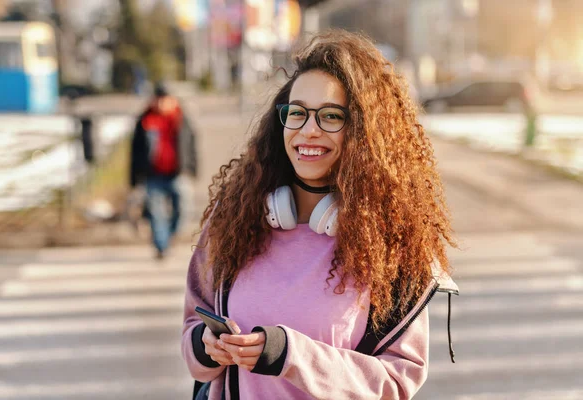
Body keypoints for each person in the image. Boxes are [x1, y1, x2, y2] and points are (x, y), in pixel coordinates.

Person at [181, 30, 458, 400]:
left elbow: (395, 384)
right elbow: (192, 332)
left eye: (330, 116)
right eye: (297, 113)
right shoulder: (234, 218)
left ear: (363, 131)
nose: (308, 131)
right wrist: (205, 345)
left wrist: (291, 355)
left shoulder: (392, 248)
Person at [130, 83, 197, 259]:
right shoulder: (145, 120)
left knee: (183, 210)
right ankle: (161, 246)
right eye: (158, 99)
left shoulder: (181, 119)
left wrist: (192, 168)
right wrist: (134, 179)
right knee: (156, 212)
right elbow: (135, 152)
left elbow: (191, 144)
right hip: (153, 175)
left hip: (177, 173)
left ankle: (169, 236)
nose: (161, 103)